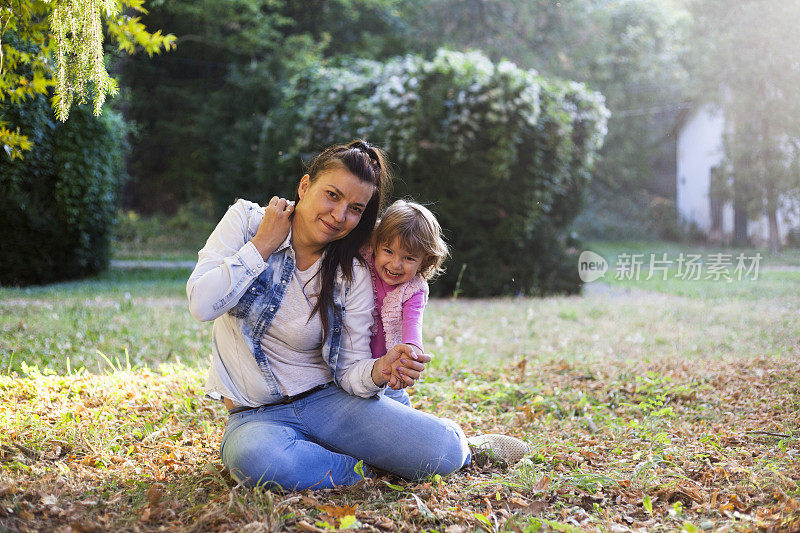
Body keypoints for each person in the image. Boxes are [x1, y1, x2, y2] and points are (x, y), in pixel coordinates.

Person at [187, 140, 472, 491]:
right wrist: (262, 245)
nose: (339, 215)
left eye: (355, 208)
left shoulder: (351, 272)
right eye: (332, 195)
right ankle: (371, 468)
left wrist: (379, 368)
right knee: (259, 462)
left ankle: (380, 454)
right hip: (256, 416)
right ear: (305, 186)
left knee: (443, 451)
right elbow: (202, 303)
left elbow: (349, 371)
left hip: (330, 402)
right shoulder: (247, 223)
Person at [364, 199, 448, 408]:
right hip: (354, 364)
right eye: (388, 251)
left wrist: (409, 357)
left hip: (387, 373)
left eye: (409, 258)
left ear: (425, 260)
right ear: (375, 244)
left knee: (401, 415)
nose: (395, 264)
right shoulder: (362, 264)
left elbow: (413, 328)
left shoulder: (413, 290)